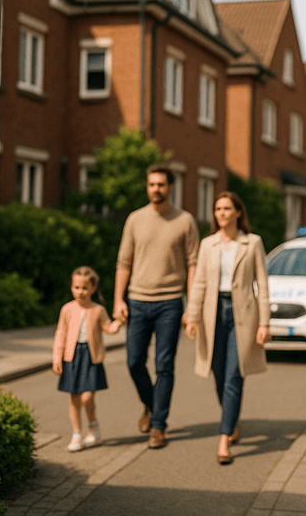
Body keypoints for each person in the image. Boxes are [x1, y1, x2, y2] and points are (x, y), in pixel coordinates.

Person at [114, 164, 200, 449]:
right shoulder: (135, 219)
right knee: (134, 361)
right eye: (151, 184)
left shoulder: (185, 221)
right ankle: (151, 407)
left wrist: (192, 308)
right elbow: (123, 263)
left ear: (171, 187)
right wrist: (118, 300)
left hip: (170, 303)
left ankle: (158, 426)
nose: (155, 189)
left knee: (164, 366)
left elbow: (193, 265)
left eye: (161, 184)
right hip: (137, 301)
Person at [183, 191, 270, 465]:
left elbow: (263, 286)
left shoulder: (252, 243)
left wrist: (264, 322)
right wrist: (192, 316)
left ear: (237, 213)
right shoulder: (208, 245)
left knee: (234, 374)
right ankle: (231, 421)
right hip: (212, 314)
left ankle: (224, 439)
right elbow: (198, 284)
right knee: (218, 374)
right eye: (217, 209)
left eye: (226, 208)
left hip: (242, 315)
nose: (221, 213)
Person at [53, 266, 122, 452]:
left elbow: (108, 327)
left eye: (84, 288)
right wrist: (57, 358)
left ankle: (93, 424)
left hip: (91, 358)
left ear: (93, 288)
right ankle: (77, 435)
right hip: (72, 357)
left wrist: (119, 322)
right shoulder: (67, 309)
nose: (80, 292)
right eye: (76, 287)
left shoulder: (98, 309)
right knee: (74, 397)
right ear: (72, 287)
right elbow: (60, 333)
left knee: (87, 397)